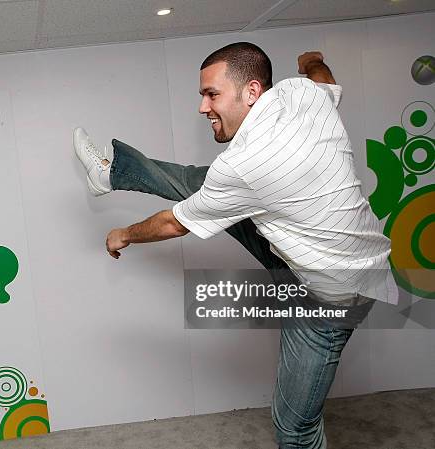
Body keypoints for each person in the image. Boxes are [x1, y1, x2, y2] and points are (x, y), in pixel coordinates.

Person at [73, 43, 396, 449]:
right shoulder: (302, 96)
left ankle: (110, 176)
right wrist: (312, 62)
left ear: (252, 91)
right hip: (339, 258)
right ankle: (109, 174)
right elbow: (326, 83)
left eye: (212, 94)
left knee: (294, 428)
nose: (203, 107)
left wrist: (124, 234)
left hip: (329, 297)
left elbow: (175, 224)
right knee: (202, 185)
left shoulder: (247, 165)